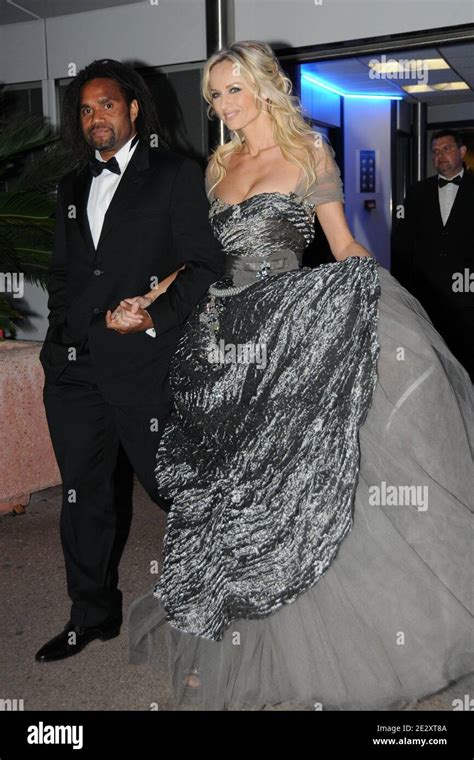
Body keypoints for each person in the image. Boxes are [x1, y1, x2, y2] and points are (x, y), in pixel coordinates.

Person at [121, 42, 473, 710]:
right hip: (217, 345)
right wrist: (147, 297)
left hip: (286, 337)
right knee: (224, 492)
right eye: (213, 96)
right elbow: (199, 260)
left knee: (286, 494)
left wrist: (381, 303)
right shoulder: (218, 167)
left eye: (232, 90)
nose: (222, 106)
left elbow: (341, 245)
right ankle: (217, 632)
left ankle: (301, 642)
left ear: (262, 88)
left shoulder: (310, 153)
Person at [35, 59, 225, 663]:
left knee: (173, 489)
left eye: (107, 105)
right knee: (82, 495)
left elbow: (205, 265)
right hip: (73, 368)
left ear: (134, 108)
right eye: (86, 109)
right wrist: (63, 331)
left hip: (145, 366)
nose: (96, 118)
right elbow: (64, 273)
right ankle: (92, 614)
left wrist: (154, 319)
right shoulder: (69, 187)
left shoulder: (175, 174)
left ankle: (215, 604)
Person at [393, 129, 474, 381]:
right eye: (435, 151)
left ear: (461, 152)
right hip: (428, 296)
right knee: (434, 361)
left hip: (468, 294)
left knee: (468, 358)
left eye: (446, 149)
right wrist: (403, 288)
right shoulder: (417, 192)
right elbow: (403, 243)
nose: (440, 156)